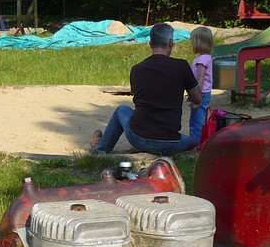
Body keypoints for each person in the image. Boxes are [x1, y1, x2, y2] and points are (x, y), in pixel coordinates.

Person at [90, 22, 202, 155]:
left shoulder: (137, 69)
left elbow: (139, 97)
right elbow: (198, 98)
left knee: (122, 110)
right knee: (194, 143)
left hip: (138, 137)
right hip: (169, 142)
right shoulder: (181, 66)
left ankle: (101, 149)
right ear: (170, 43)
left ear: (150, 44)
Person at [188, 26, 214, 142]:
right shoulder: (207, 57)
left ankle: (195, 142)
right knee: (201, 118)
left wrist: (196, 97)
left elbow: (201, 79)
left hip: (201, 93)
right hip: (206, 92)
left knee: (196, 120)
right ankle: (201, 140)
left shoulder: (201, 60)